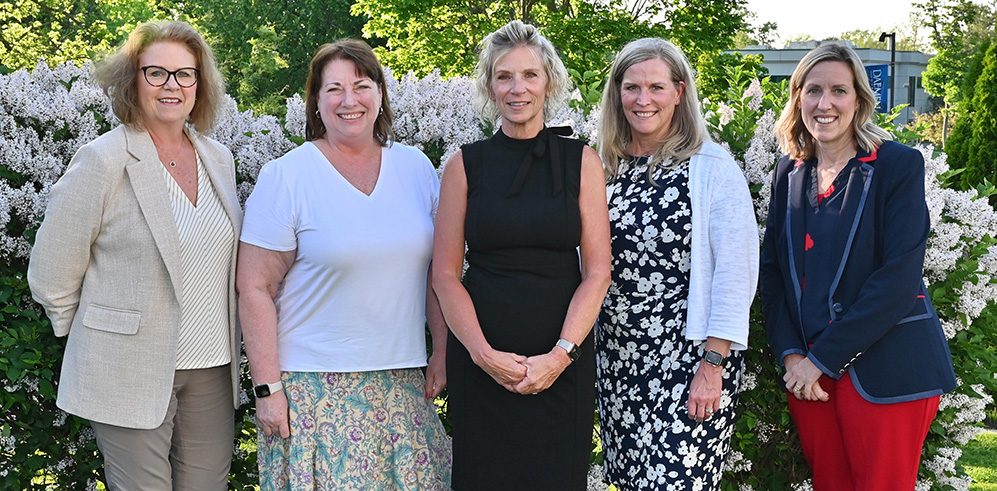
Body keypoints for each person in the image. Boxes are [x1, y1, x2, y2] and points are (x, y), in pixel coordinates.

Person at [27, 20, 241, 491]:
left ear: (200, 84)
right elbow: (50, 271)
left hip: (212, 366)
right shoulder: (103, 159)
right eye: (156, 73)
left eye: (185, 74)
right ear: (133, 81)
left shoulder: (218, 159)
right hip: (127, 369)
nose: (172, 85)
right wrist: (96, 338)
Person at [237, 39, 451, 491]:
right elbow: (254, 287)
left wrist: (442, 352)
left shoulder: (416, 168)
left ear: (380, 94)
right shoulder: (287, 177)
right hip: (310, 392)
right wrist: (268, 389)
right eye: (334, 88)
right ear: (316, 101)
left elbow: (436, 274)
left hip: (401, 386)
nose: (349, 100)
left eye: (361, 86)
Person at [760, 43, 957, 490]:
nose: (824, 103)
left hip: (886, 370)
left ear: (859, 100)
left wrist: (821, 360)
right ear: (797, 97)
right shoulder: (788, 172)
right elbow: (773, 273)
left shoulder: (897, 165)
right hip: (808, 377)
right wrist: (792, 356)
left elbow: (898, 280)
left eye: (838, 91)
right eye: (813, 90)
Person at [432, 20, 611, 491]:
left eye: (530, 75)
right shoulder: (464, 165)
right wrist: (482, 355)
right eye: (505, 76)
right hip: (481, 364)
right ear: (489, 86)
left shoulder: (582, 162)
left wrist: (560, 356)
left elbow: (598, 272)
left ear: (549, 82)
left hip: (562, 363)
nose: (518, 89)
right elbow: (445, 275)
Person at [593, 37, 758, 491]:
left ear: (679, 92)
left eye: (656, 87)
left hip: (689, 363)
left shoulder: (711, 167)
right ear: (617, 93)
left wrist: (713, 364)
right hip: (619, 361)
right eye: (631, 87)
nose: (642, 99)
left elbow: (736, 272)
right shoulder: (605, 168)